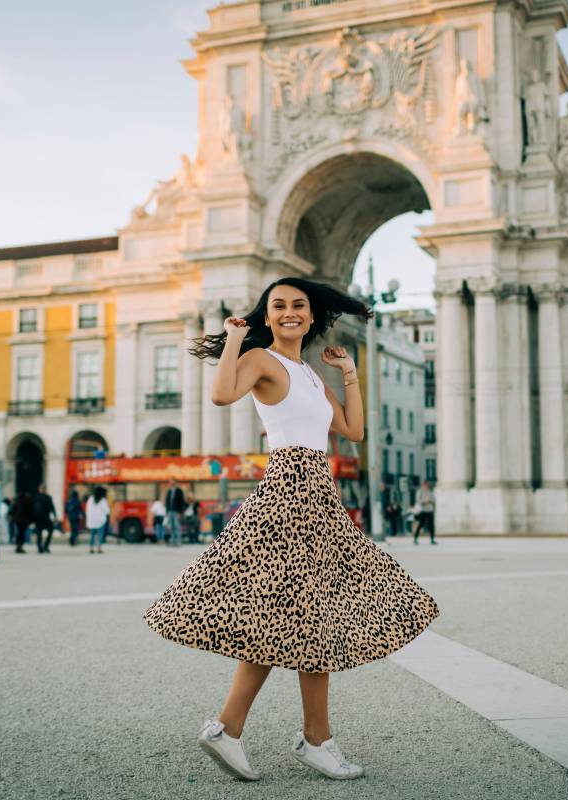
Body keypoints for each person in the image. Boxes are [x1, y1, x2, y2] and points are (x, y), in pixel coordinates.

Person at [144, 277, 439, 782]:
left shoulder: (306, 372)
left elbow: (353, 430)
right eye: (278, 306)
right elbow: (220, 395)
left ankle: (237, 728)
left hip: (316, 493)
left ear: (311, 315)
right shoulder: (264, 361)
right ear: (267, 315)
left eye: (298, 305)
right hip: (290, 489)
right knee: (310, 619)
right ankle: (309, 738)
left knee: (291, 622)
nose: (289, 312)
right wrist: (235, 337)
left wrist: (349, 373)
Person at [33, 484, 57, 554]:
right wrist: (55, 516)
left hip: (41, 518)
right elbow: (52, 507)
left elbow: (52, 507)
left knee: (40, 533)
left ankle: (41, 547)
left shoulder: (37, 497)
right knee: (46, 531)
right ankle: (44, 546)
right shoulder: (47, 497)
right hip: (44, 518)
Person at [85, 486, 110, 554]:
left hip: (92, 520)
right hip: (100, 520)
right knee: (100, 534)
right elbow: (107, 511)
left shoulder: (90, 499)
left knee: (92, 534)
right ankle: (99, 548)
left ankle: (91, 548)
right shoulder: (103, 500)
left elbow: (87, 509)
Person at [164, 479, 186, 547]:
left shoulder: (179, 491)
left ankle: (178, 541)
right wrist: (167, 511)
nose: (170, 483)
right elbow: (167, 502)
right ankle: (173, 541)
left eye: (172, 481)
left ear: (175, 482)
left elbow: (181, 502)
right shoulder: (169, 491)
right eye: (170, 482)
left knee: (177, 526)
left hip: (176, 511)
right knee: (172, 527)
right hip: (170, 511)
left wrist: (180, 512)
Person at [413, 480, 436, 545]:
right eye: (425, 485)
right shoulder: (420, 492)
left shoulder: (430, 492)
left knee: (431, 526)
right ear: (423, 485)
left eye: (427, 485)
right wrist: (424, 501)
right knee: (420, 525)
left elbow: (433, 500)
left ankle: (432, 539)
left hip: (429, 510)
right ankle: (415, 539)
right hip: (422, 511)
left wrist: (429, 501)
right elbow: (418, 500)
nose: (426, 486)